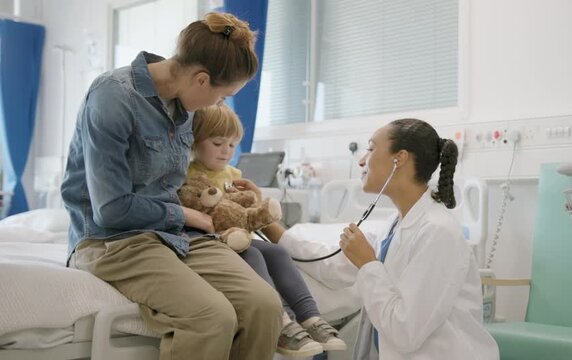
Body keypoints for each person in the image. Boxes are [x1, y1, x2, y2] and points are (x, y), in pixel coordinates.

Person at [61, 12, 282, 360]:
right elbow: (111, 209)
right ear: (201, 80)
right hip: (114, 239)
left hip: (174, 234)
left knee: (265, 305)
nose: (219, 104)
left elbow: (181, 181)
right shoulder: (113, 97)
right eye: (223, 96)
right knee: (211, 316)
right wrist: (186, 214)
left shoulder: (185, 105)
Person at [275, 119, 500, 359]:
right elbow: (330, 266)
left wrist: (368, 264)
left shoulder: (438, 232)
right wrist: (270, 227)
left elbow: (406, 331)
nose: (362, 160)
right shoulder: (394, 226)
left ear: (399, 159)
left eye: (371, 149)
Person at [189, 104, 347, 357]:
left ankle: (311, 318)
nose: (226, 151)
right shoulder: (189, 174)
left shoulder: (234, 174)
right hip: (213, 242)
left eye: (232, 145)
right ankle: (281, 321)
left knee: (276, 252)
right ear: (195, 142)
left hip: (240, 237)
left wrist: (253, 199)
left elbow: (245, 210)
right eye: (218, 143)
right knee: (254, 256)